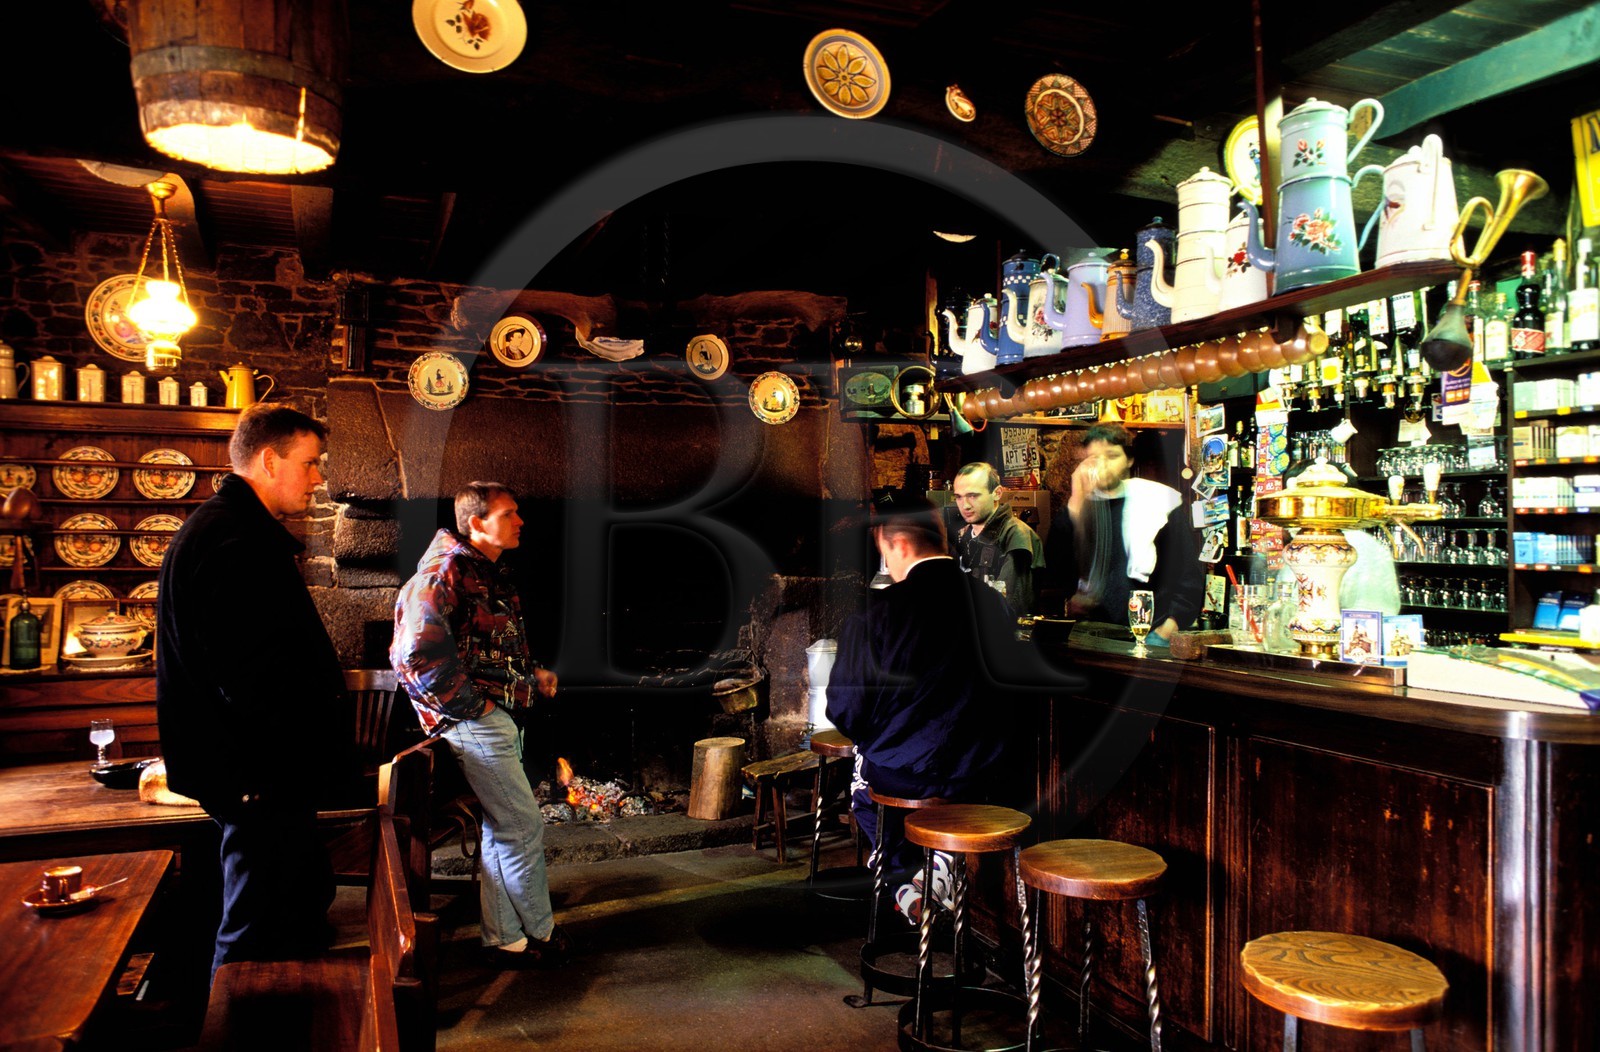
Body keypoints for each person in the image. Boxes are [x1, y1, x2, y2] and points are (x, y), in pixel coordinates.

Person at [156, 403, 354, 979]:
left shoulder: (232, 528)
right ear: (269, 461)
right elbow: (248, 676)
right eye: (311, 463)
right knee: (250, 933)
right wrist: (285, 766)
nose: (319, 479)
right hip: (258, 777)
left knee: (289, 910)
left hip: (264, 774)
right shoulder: (231, 538)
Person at [390, 481, 569, 968]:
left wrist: (532, 674)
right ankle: (541, 932)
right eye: (509, 513)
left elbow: (481, 646)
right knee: (522, 825)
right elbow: (413, 655)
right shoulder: (445, 571)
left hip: (494, 717)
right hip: (477, 723)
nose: (520, 521)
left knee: (501, 827)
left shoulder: (483, 571)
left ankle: (506, 938)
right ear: (476, 522)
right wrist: (475, 709)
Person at [826, 499, 1027, 924]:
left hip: (906, 772)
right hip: (987, 768)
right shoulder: (996, 604)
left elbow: (844, 709)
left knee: (863, 790)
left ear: (894, 543)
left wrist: (879, 734)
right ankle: (939, 867)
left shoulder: (874, 613)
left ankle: (905, 880)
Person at [1045, 423, 1203, 643]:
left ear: (1129, 460)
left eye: (1111, 456)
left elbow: (1188, 575)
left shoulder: (1159, 502)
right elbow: (1055, 573)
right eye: (1093, 458)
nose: (1102, 465)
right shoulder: (1077, 509)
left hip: (1151, 634)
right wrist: (1075, 505)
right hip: (1092, 636)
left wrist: (1167, 629)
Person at [947, 461, 1045, 616]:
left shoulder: (1016, 535)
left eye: (972, 496)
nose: (964, 505)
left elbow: (1012, 604)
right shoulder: (963, 537)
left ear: (997, 493)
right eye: (958, 497)